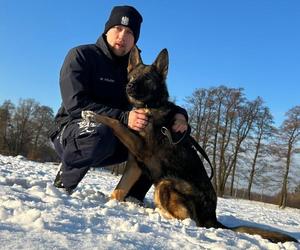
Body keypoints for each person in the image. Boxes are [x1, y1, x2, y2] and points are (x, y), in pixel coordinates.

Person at [49, 5, 188, 202]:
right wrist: (124, 117)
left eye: (129, 32)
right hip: (73, 131)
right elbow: (76, 104)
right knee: (100, 131)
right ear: (107, 30)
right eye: (118, 28)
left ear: (135, 39)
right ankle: (63, 185)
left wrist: (180, 116)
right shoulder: (81, 55)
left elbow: (156, 100)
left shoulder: (135, 70)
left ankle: (132, 196)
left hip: (112, 139)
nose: (122, 36)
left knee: (156, 138)